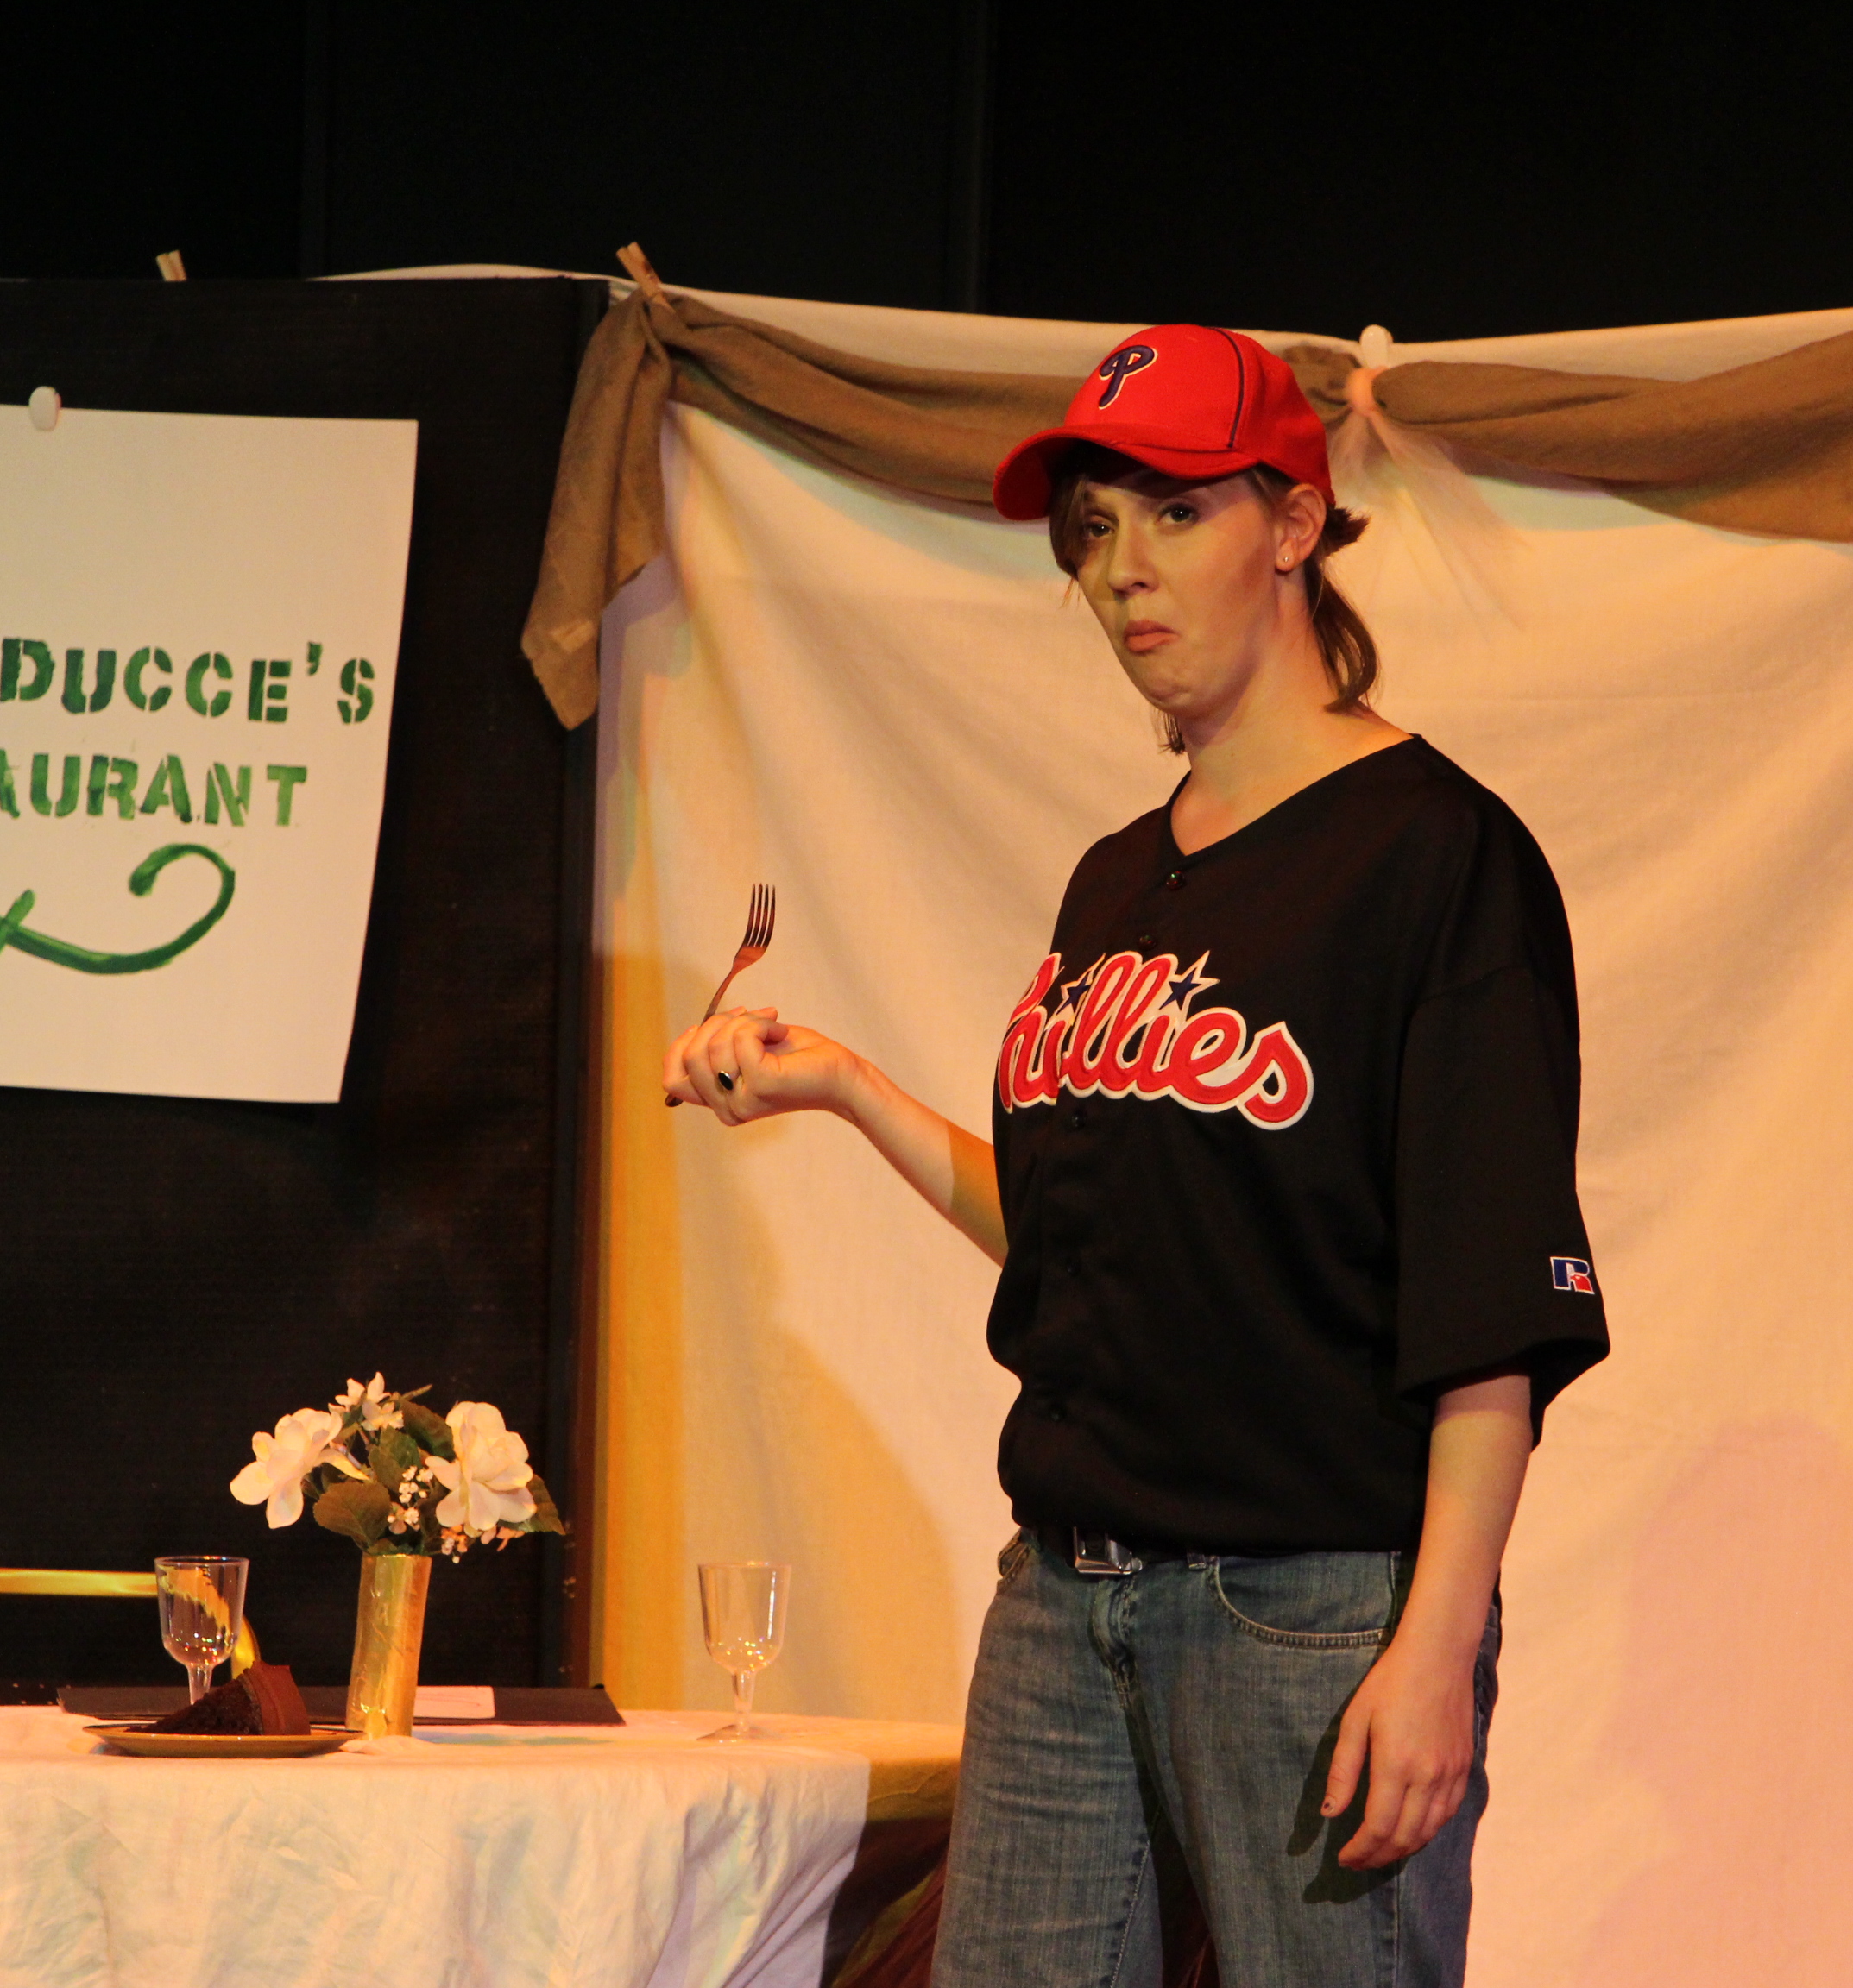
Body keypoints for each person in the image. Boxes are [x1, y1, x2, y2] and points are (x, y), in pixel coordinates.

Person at [661, 324, 1609, 1986]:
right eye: (1092, 529)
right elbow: (1078, 1240)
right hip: (1063, 1599)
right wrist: (847, 1088)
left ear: (1296, 523)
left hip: (1310, 1612)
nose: (1122, 571)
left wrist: (1437, 1645)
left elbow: (1490, 1313)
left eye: (1175, 513)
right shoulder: (1116, 880)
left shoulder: (1433, 856)